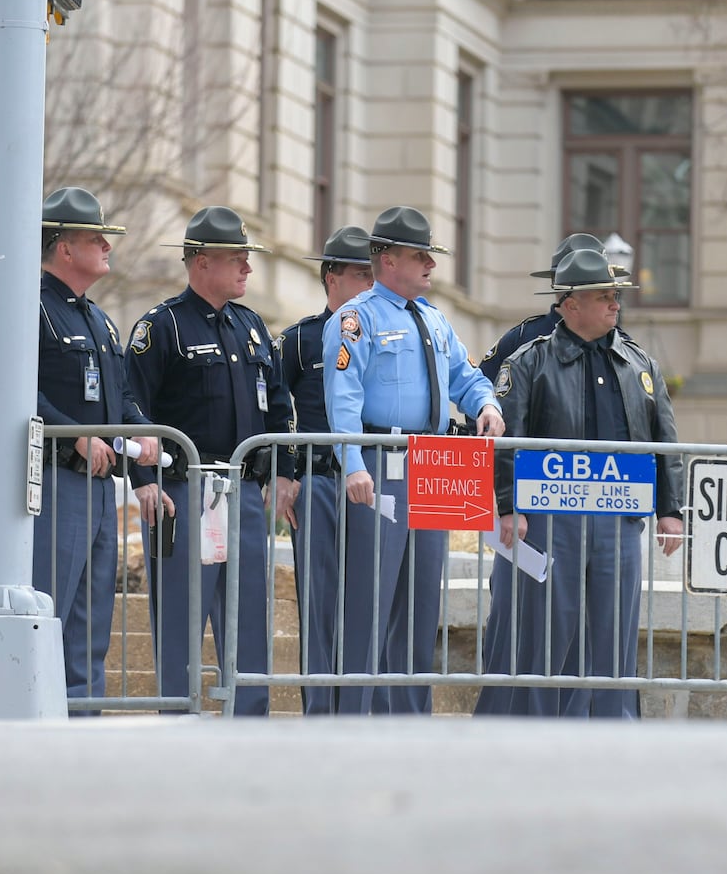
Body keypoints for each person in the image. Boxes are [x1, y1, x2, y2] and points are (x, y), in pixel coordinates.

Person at [322, 205, 504, 714]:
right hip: (382, 461)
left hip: (435, 462)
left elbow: (466, 377)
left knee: (423, 600)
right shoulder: (356, 320)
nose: (430, 265)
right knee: (371, 600)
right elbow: (344, 399)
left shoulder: (434, 320)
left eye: (430, 255)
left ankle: (407, 717)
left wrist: (486, 405)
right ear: (386, 260)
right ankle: (355, 717)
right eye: (418, 255)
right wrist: (352, 462)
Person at [491, 248, 685, 719]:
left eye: (616, 295)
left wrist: (671, 510)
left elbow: (665, 441)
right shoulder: (528, 362)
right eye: (605, 296)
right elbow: (505, 440)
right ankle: (538, 731)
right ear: (571, 303)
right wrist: (508, 504)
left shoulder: (640, 365)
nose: (615, 303)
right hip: (551, 519)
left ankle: (612, 733)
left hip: (618, 522)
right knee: (546, 635)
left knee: (613, 636)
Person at [125, 206, 297, 715]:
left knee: (248, 613)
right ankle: (178, 718)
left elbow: (281, 404)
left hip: (242, 487)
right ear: (201, 262)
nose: (247, 267)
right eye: (236, 258)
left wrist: (284, 469)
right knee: (181, 612)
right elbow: (132, 405)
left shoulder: (252, 326)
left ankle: (249, 718)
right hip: (182, 490)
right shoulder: (163, 327)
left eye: (248, 257)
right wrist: (142, 479)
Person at [475, 233, 626, 716]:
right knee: (525, 623)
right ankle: (513, 720)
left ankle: (586, 722)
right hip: (539, 512)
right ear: (566, 295)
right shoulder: (524, 345)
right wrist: (503, 502)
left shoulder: (624, 352)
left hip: (604, 509)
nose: (611, 300)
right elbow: (491, 418)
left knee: (598, 631)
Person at [34, 187, 162, 713]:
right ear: (65, 247)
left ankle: (83, 719)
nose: (108, 247)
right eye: (97, 238)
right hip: (57, 481)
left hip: (98, 489)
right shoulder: (33, 308)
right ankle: (38, 721)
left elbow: (122, 396)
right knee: (52, 610)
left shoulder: (98, 318)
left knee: (91, 622)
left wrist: (144, 430)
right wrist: (74, 434)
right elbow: (19, 391)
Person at [279, 226, 374, 715]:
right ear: (331, 277)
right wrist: (284, 473)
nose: (371, 283)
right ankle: (320, 706)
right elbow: (276, 407)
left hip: (374, 481)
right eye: (362, 274)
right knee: (318, 600)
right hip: (318, 479)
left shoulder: (383, 332)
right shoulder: (301, 340)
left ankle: (362, 707)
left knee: (371, 598)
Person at [476, 233, 628, 384]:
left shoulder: (622, 345)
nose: (615, 305)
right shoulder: (522, 338)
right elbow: (480, 393)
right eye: (602, 294)